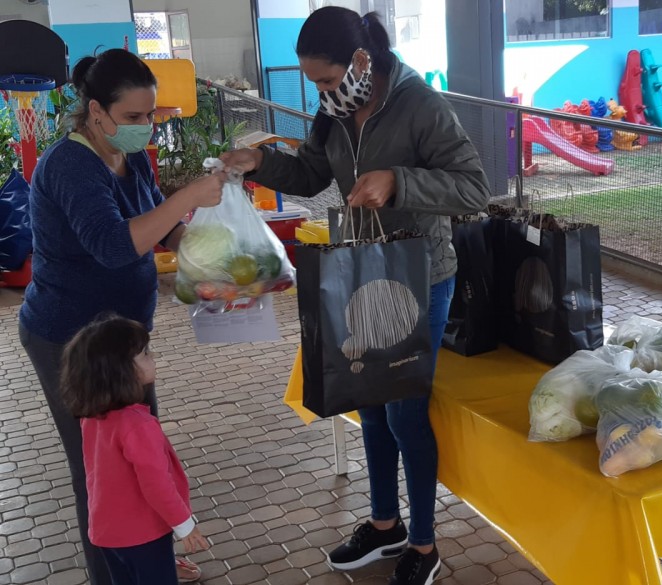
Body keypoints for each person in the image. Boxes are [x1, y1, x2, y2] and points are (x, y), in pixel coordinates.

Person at [220, 7, 491, 585]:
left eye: (324, 79)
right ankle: (385, 524)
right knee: (369, 405)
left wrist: (399, 180)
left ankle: (423, 546)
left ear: (361, 61)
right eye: (313, 82)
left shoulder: (420, 105)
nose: (319, 91)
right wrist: (260, 163)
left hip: (419, 276)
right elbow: (315, 174)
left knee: (403, 413)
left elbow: (475, 187)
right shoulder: (338, 110)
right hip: (362, 268)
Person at [17, 48, 225, 584]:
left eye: (150, 115)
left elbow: (161, 228)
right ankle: (112, 574)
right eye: (134, 117)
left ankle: (148, 555)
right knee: (101, 472)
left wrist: (208, 258)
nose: (145, 127)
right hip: (72, 342)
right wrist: (187, 199)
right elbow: (115, 246)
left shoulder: (127, 157)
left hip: (124, 337)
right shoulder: (69, 166)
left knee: (143, 453)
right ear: (96, 111)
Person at [60, 314, 209, 585]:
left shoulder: (92, 416)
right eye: (144, 354)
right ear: (121, 371)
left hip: (106, 531)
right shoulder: (138, 425)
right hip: (143, 535)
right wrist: (185, 525)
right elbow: (157, 484)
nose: (152, 358)